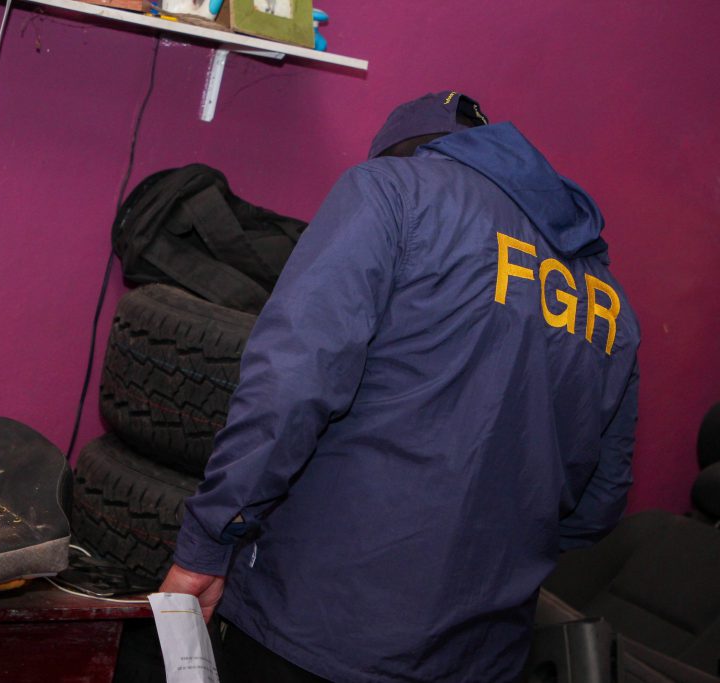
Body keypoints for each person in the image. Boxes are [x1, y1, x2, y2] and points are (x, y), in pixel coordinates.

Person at [159, 91, 640, 682]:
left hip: (321, 626)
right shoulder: (610, 303)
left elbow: (289, 388)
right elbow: (597, 505)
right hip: (485, 654)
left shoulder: (390, 191)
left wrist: (207, 542)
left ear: (404, 151)